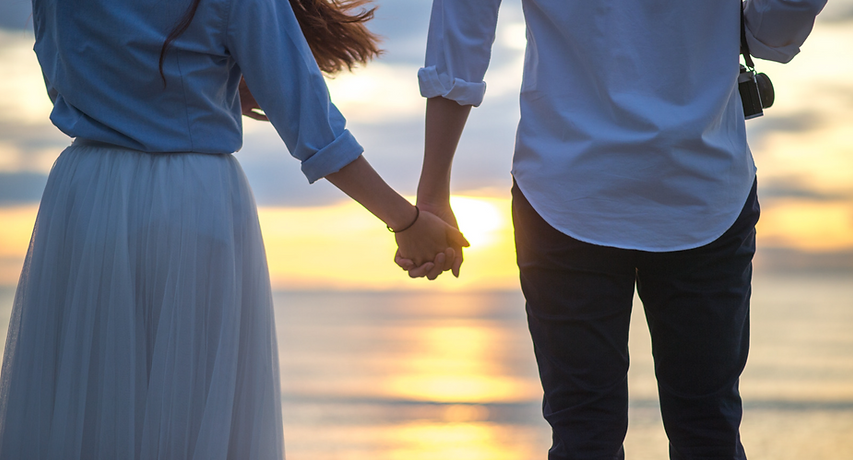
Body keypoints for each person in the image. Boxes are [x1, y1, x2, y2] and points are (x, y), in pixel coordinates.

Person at [0, 0, 467, 458]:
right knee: (190, 417)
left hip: (84, 198)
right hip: (189, 200)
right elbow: (313, 126)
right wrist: (405, 222)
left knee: (87, 408)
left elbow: (62, 61)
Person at [406, 0, 826, 458]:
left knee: (583, 433)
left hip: (566, 188)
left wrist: (432, 192)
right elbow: (774, 31)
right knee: (708, 428)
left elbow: (462, 29)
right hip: (701, 189)